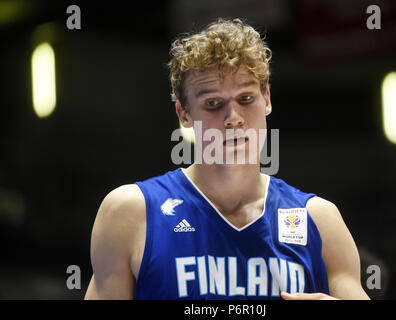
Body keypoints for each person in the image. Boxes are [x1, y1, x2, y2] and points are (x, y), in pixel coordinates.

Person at [84, 18, 369, 300]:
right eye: (213, 104)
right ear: (184, 114)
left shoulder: (319, 220)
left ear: (267, 99)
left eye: (245, 99)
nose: (233, 118)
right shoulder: (132, 214)